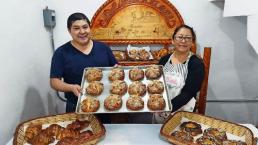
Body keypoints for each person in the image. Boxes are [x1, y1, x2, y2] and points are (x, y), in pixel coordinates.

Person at [50, 12, 117, 122]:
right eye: (76, 28)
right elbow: (54, 81)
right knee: (78, 137)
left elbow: (114, 68)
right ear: (69, 30)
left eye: (85, 27)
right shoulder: (61, 52)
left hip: (105, 105)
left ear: (90, 28)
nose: (82, 32)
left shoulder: (103, 48)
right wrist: (71, 87)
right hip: (76, 106)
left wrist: (118, 70)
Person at [154, 24, 205, 123]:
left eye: (188, 38)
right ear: (173, 40)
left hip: (183, 110)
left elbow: (189, 92)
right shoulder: (164, 60)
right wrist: (157, 103)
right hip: (161, 108)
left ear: (192, 43)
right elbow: (156, 83)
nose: (183, 41)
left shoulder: (196, 64)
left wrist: (168, 107)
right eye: (180, 37)